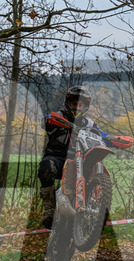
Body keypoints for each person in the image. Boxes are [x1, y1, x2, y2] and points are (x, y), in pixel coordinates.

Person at [38, 85, 100, 229]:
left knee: (97, 167)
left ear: (85, 106)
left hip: (81, 162)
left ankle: (97, 209)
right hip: (58, 159)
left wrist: (113, 139)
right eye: (74, 103)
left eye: (80, 104)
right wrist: (55, 121)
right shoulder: (58, 116)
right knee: (46, 166)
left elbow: (101, 135)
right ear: (68, 103)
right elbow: (45, 121)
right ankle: (50, 210)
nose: (77, 107)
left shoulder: (89, 124)